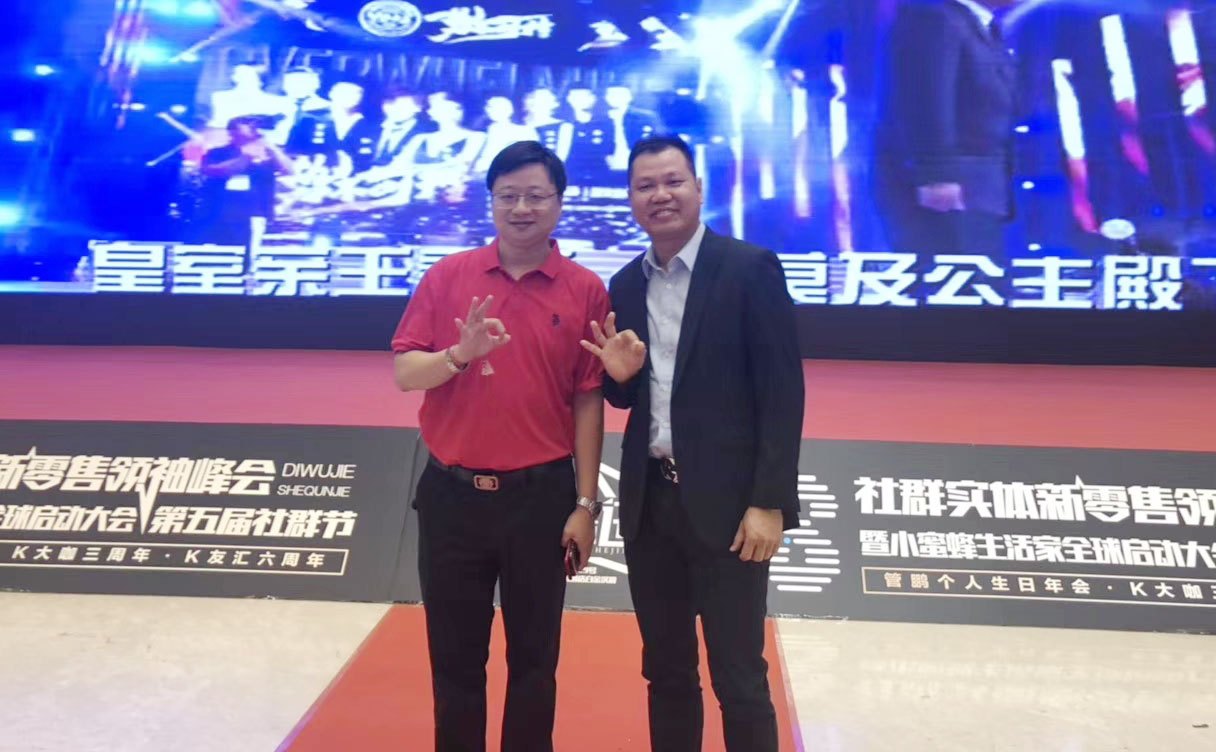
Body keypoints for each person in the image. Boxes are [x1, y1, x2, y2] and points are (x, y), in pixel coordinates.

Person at [580, 135, 803, 752]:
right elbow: (627, 397)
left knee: (740, 676)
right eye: (645, 186)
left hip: (731, 510)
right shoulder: (625, 284)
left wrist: (769, 502)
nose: (661, 195)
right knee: (667, 672)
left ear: (699, 189)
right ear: (631, 199)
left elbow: (782, 393)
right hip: (652, 506)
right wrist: (619, 379)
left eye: (673, 181)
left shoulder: (749, 269)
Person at [390, 140, 610, 752]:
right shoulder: (448, 276)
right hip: (452, 496)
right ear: (490, 202)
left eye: (535, 196)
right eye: (507, 196)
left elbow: (588, 400)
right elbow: (406, 373)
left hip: (540, 499)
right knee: (454, 661)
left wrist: (586, 504)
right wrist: (459, 355)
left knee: (535, 664)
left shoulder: (585, 289)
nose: (521, 208)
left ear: (559, 203)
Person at [872, 0, 1022, 260]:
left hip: (980, 186)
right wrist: (936, 175)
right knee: (955, 273)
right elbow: (926, 100)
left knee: (979, 272)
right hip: (951, 189)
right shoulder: (934, 17)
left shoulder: (976, 24)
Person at [198, 115, 293, 246]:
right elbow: (215, 170)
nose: (253, 128)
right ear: (232, 131)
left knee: (252, 248)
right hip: (223, 211)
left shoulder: (268, 153)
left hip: (257, 211)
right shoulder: (218, 152)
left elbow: (288, 170)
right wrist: (246, 157)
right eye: (246, 124)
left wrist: (270, 147)